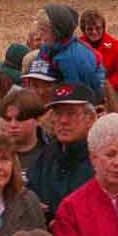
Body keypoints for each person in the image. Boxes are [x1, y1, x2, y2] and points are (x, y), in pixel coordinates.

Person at [28, 82, 100, 216]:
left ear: (89, 118)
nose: (63, 121)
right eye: (58, 114)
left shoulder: (103, 158)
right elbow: (30, 189)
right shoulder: (47, 154)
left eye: (71, 114)